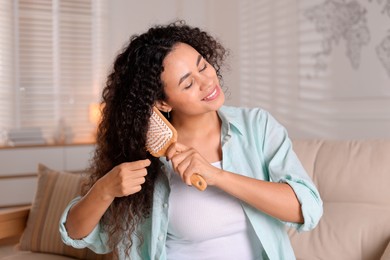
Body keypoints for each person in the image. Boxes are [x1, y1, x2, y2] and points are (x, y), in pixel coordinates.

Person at [59, 20, 323, 260]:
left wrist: (216, 176)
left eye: (203, 66)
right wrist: (104, 189)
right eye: (188, 84)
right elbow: (77, 233)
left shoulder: (258, 127)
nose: (207, 82)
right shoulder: (143, 153)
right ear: (163, 102)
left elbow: (305, 209)